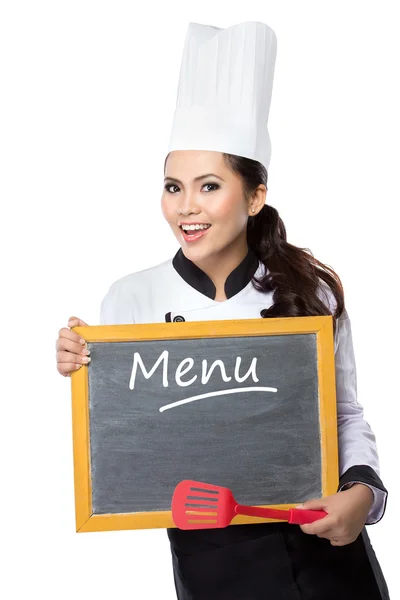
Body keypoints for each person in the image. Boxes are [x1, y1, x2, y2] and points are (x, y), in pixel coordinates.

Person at [55, 21, 390, 599]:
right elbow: (123, 435)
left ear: (255, 196)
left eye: (209, 186)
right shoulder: (130, 300)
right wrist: (83, 367)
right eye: (172, 186)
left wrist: (363, 492)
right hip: (214, 569)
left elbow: (346, 415)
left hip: (330, 560)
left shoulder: (311, 292)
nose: (186, 207)